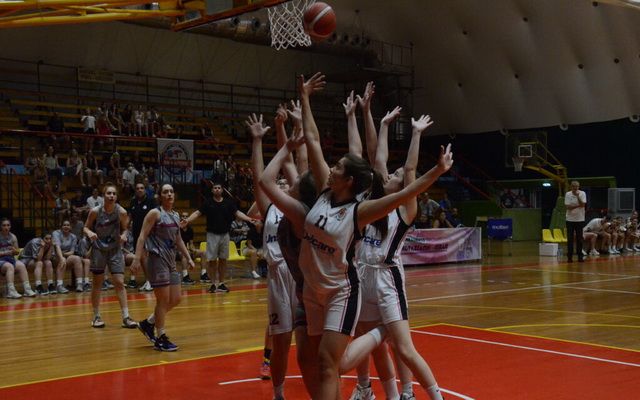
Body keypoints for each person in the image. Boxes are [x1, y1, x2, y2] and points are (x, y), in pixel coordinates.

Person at [281, 73, 453, 399]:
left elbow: (408, 185)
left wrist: (437, 169)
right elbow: (317, 142)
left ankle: (415, 390)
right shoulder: (330, 193)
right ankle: (371, 389)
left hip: (362, 282)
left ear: (348, 180)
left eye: (338, 168)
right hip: (343, 280)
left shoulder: (370, 211)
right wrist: (305, 98)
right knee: (336, 360)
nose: (331, 168)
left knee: (383, 351)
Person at [132, 183, 195, 351]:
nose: (169, 194)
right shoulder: (155, 213)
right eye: (165, 192)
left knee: (176, 299)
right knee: (163, 300)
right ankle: (160, 337)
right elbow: (142, 236)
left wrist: (188, 257)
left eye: (171, 191)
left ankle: (148, 323)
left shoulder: (175, 215)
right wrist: (137, 258)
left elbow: (178, 239)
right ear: (160, 196)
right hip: (157, 260)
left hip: (170, 261)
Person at [181, 182, 256, 293]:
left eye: (219, 188)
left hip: (225, 235)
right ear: (212, 190)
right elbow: (197, 213)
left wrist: (249, 219)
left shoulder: (228, 203)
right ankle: (213, 284)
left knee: (223, 260)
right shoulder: (208, 203)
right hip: (212, 235)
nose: (217, 189)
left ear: (222, 190)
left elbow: (237, 212)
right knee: (212, 261)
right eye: (215, 188)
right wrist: (187, 220)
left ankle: (221, 283)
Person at [84, 184, 138, 329]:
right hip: (98, 249)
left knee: (119, 282)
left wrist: (124, 235)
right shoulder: (95, 211)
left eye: (114, 193)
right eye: (109, 193)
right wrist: (89, 233)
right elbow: (85, 227)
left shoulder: (122, 212)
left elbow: (126, 229)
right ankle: (96, 316)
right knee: (97, 283)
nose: (112, 196)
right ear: (103, 196)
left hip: (115, 249)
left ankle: (126, 317)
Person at [128, 181, 156, 291]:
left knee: (146, 258)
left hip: (149, 234)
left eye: (142, 188)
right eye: (137, 188)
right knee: (142, 258)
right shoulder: (133, 202)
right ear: (135, 190)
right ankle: (148, 280)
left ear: (145, 190)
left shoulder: (151, 201)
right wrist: (125, 229)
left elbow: (156, 216)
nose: (139, 190)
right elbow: (130, 217)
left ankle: (151, 281)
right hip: (136, 234)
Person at [1, 218, 36, 298]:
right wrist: (5, 253)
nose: (6, 227)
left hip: (10, 259)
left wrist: (14, 250)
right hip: (1, 260)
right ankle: (11, 291)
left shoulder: (13, 237)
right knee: (9, 266)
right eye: (4, 225)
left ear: (10, 226)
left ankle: (27, 289)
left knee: (21, 265)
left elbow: (17, 251)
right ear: (1, 227)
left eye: (8, 225)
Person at [52, 220, 83, 294]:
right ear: (61, 227)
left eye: (68, 225)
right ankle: (59, 285)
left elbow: (72, 251)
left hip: (66, 255)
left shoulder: (73, 236)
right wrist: (61, 257)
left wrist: (63, 254)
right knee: (62, 260)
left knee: (77, 258)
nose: (66, 226)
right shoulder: (56, 233)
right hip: (55, 256)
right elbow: (57, 247)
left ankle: (79, 284)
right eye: (64, 225)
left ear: (70, 227)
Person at [565, 181, 586, 263]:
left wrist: (578, 197)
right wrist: (578, 205)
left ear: (579, 186)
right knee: (570, 239)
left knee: (579, 239)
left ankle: (580, 256)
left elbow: (583, 204)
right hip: (569, 220)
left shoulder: (582, 193)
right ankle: (569, 257)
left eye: (577, 186)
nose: (575, 188)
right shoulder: (568, 194)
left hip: (580, 219)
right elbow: (568, 207)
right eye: (574, 186)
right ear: (571, 187)